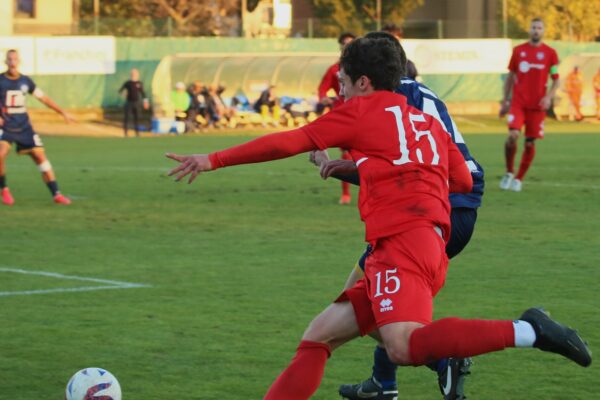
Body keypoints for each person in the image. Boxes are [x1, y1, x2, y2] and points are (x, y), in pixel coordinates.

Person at [166, 35, 591, 400]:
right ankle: (412, 369)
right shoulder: (427, 123)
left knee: (404, 347)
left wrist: (213, 159)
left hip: (402, 245)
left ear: (364, 82)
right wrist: (385, 170)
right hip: (422, 241)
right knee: (318, 337)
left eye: (345, 85)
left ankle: (529, 331)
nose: (343, 94)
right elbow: (460, 179)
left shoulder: (363, 111)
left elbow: (287, 142)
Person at [306, 31, 485, 400]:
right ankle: (382, 382)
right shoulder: (419, 95)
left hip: (432, 212)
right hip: (453, 208)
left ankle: (444, 358)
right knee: (381, 294)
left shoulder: (392, 103)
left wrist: (332, 166)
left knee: (362, 301)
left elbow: (403, 171)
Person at [0, 49, 74, 206]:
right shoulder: (0, 80)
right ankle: (4, 189)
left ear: (19, 61)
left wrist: (63, 112)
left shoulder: (26, 81)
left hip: (24, 127)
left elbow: (44, 98)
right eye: (10, 59)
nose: (13, 62)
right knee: (1, 153)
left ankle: (56, 194)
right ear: (5, 62)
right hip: (5, 127)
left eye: (15, 59)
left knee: (41, 158)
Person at [499, 18, 560, 192]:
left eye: (539, 28)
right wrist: (505, 100)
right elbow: (510, 77)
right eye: (533, 27)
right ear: (529, 29)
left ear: (543, 31)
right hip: (518, 103)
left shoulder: (550, 53)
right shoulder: (518, 51)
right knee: (512, 136)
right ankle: (509, 172)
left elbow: (556, 80)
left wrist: (548, 98)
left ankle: (519, 178)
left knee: (529, 143)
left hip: (538, 106)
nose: (536, 30)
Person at [318, 32, 356, 205]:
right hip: (343, 116)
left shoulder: (365, 68)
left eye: (350, 43)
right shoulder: (334, 69)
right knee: (347, 155)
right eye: (344, 44)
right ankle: (346, 194)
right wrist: (323, 98)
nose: (346, 47)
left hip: (363, 114)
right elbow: (322, 88)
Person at [119, 68, 149, 137]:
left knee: (137, 118)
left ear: (138, 74)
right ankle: (125, 133)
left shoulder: (139, 83)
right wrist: (124, 94)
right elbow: (120, 91)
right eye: (133, 73)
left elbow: (143, 93)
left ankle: (137, 133)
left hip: (136, 103)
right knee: (127, 118)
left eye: (135, 73)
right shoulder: (127, 83)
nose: (134, 75)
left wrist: (146, 102)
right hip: (129, 103)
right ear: (131, 74)